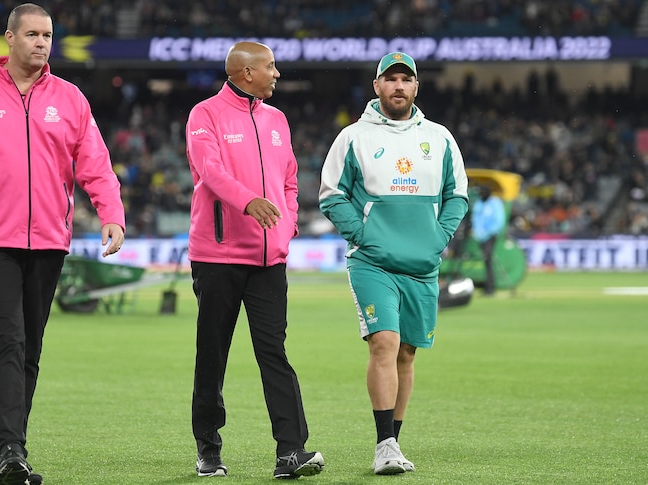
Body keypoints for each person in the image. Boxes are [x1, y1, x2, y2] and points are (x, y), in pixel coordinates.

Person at [0, 4, 126, 485]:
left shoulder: (71, 99)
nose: (41, 42)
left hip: (50, 240)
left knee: (30, 347)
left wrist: (111, 213)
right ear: (8, 39)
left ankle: (13, 449)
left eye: (48, 35)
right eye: (31, 33)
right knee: (7, 339)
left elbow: (95, 162)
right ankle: (8, 449)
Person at [318, 52, 469, 475]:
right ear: (377, 86)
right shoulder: (353, 137)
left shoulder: (439, 138)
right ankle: (384, 445)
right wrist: (364, 235)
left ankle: (394, 443)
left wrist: (438, 238)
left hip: (422, 265)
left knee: (406, 353)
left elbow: (458, 195)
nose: (399, 86)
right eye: (391, 79)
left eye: (406, 79)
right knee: (384, 342)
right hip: (373, 263)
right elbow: (331, 195)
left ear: (416, 87)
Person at [184, 41, 324, 480]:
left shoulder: (278, 119)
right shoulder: (204, 114)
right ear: (246, 73)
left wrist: (286, 229)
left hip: (268, 261)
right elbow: (210, 170)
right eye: (270, 66)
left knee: (274, 354)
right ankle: (208, 449)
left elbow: (289, 181)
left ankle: (291, 451)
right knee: (213, 355)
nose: (277, 73)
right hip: (217, 256)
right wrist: (248, 202)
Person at [470, 184, 506, 295]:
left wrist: (488, 233)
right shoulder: (479, 203)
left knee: (488, 258)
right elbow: (475, 218)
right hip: (480, 236)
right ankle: (488, 286)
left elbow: (498, 220)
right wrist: (477, 233)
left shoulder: (495, 203)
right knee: (486, 260)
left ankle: (491, 287)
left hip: (490, 236)